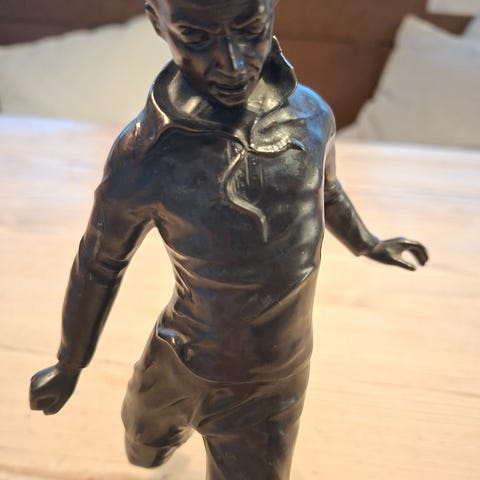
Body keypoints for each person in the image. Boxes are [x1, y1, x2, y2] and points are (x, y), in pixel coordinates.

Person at [29, 0, 428, 478]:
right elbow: (99, 262)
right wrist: (70, 363)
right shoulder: (144, 155)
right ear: (157, 22)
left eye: (250, 28)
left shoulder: (312, 119)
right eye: (197, 38)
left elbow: (327, 191)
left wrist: (367, 243)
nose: (234, 64)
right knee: (142, 448)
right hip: (175, 357)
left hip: (269, 383)